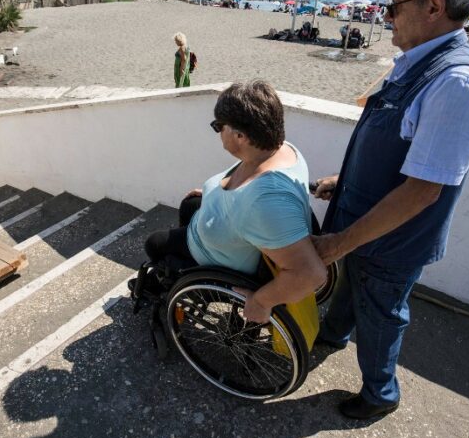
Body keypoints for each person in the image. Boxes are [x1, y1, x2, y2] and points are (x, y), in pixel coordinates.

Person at [310, 0, 469, 420]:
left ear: (433, 6)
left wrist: (338, 242)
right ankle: (331, 336)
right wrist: (344, 181)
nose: (386, 16)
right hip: (365, 228)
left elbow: (421, 191)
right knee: (353, 291)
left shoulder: (457, 82)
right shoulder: (420, 61)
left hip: (391, 242)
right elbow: (396, 149)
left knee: (382, 314)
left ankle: (379, 395)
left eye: (394, 6)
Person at [135, 80, 326, 324]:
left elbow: (310, 274)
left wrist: (261, 300)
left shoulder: (265, 200)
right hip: (231, 233)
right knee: (189, 206)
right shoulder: (281, 149)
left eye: (218, 126)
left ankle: (184, 282)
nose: (217, 131)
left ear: (240, 136)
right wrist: (212, 193)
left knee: (155, 243)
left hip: (221, 258)